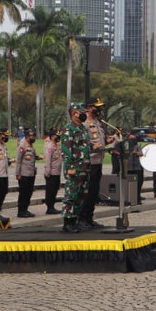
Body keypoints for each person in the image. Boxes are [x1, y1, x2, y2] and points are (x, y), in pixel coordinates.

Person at [61, 102, 91, 233]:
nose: (84, 115)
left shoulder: (83, 128)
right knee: (71, 195)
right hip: (75, 167)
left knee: (81, 195)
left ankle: (75, 220)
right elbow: (66, 150)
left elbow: (84, 146)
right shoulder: (69, 129)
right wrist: (69, 168)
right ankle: (68, 222)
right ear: (74, 113)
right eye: (82, 112)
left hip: (84, 167)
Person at [81, 96, 107, 228]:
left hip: (98, 161)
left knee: (94, 192)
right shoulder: (84, 123)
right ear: (89, 108)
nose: (99, 109)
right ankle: (82, 219)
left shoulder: (97, 122)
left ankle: (89, 218)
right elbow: (81, 142)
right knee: (88, 191)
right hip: (89, 162)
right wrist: (92, 146)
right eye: (96, 107)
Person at [16, 128, 41, 218]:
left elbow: (31, 157)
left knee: (29, 193)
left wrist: (37, 157)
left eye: (34, 136)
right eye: (31, 136)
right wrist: (18, 173)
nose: (33, 137)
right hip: (24, 174)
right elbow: (18, 160)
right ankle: (21, 211)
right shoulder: (22, 145)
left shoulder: (31, 145)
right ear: (26, 137)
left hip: (31, 173)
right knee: (23, 193)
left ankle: (25, 209)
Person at [43, 128, 63, 215]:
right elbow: (48, 161)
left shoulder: (58, 146)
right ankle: (49, 207)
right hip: (51, 173)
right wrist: (47, 172)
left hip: (57, 172)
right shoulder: (50, 147)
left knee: (55, 190)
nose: (58, 137)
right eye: (56, 136)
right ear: (51, 136)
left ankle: (52, 206)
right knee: (50, 191)